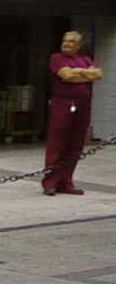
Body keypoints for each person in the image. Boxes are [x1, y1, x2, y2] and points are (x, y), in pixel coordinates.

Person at [43, 30, 103, 196]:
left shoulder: (84, 59)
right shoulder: (56, 58)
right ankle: (51, 182)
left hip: (83, 104)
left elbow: (98, 74)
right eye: (64, 40)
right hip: (62, 103)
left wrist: (77, 71)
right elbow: (66, 75)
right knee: (57, 143)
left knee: (75, 144)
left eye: (70, 41)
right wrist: (85, 73)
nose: (66, 44)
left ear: (78, 45)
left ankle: (66, 181)